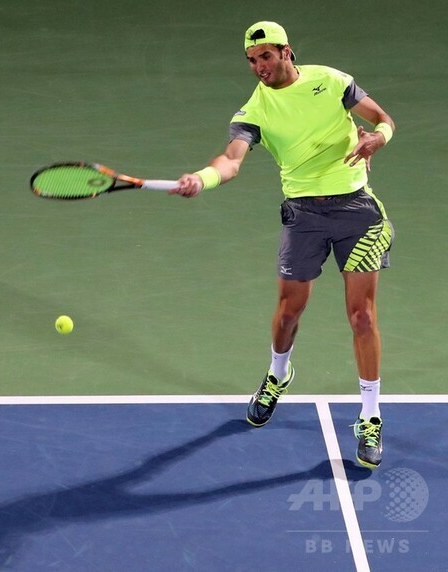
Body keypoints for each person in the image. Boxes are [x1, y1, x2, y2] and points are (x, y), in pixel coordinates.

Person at [167, 21, 395, 469]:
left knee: (362, 316)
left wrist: (376, 138)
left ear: (286, 52)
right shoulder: (254, 110)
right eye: (252, 60)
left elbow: (384, 120)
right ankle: (278, 373)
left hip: (357, 212)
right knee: (289, 313)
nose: (259, 67)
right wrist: (203, 178)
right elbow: (231, 159)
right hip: (303, 216)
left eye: (266, 56)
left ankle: (370, 416)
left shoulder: (331, 81)